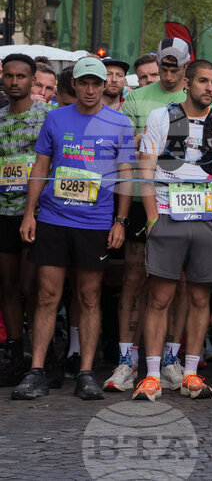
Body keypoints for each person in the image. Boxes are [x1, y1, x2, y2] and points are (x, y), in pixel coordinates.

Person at [12, 58, 134, 400]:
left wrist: (121, 220)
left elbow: (127, 175)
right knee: (47, 295)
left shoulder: (119, 123)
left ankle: (85, 373)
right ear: (75, 86)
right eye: (85, 84)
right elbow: (41, 165)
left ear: (104, 85)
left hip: (95, 223)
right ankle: (36, 370)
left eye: (97, 83)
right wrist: (29, 214)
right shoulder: (55, 117)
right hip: (53, 218)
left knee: (89, 296)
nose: (91, 90)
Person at [131, 60, 212, 402]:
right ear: (187, 84)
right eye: (204, 81)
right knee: (160, 298)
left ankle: (190, 372)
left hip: (207, 220)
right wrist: (150, 218)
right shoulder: (161, 117)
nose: (210, 87)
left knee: (199, 298)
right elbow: (145, 172)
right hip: (166, 215)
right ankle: (150, 375)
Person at [105, 35, 192, 393]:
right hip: (144, 202)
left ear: (186, 65)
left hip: (184, 201)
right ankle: (127, 358)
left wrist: (151, 142)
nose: (168, 74)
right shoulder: (138, 97)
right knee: (134, 278)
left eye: (175, 67)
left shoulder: (198, 98)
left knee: (180, 284)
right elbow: (127, 151)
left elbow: (197, 153)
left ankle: (170, 357)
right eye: (164, 66)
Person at [0, 55, 50, 385]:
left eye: (21, 76)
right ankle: (16, 356)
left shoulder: (49, 117)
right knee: (8, 286)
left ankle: (42, 357)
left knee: (34, 289)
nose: (14, 81)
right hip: (3, 212)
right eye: (9, 76)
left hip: (39, 213)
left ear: (33, 81)